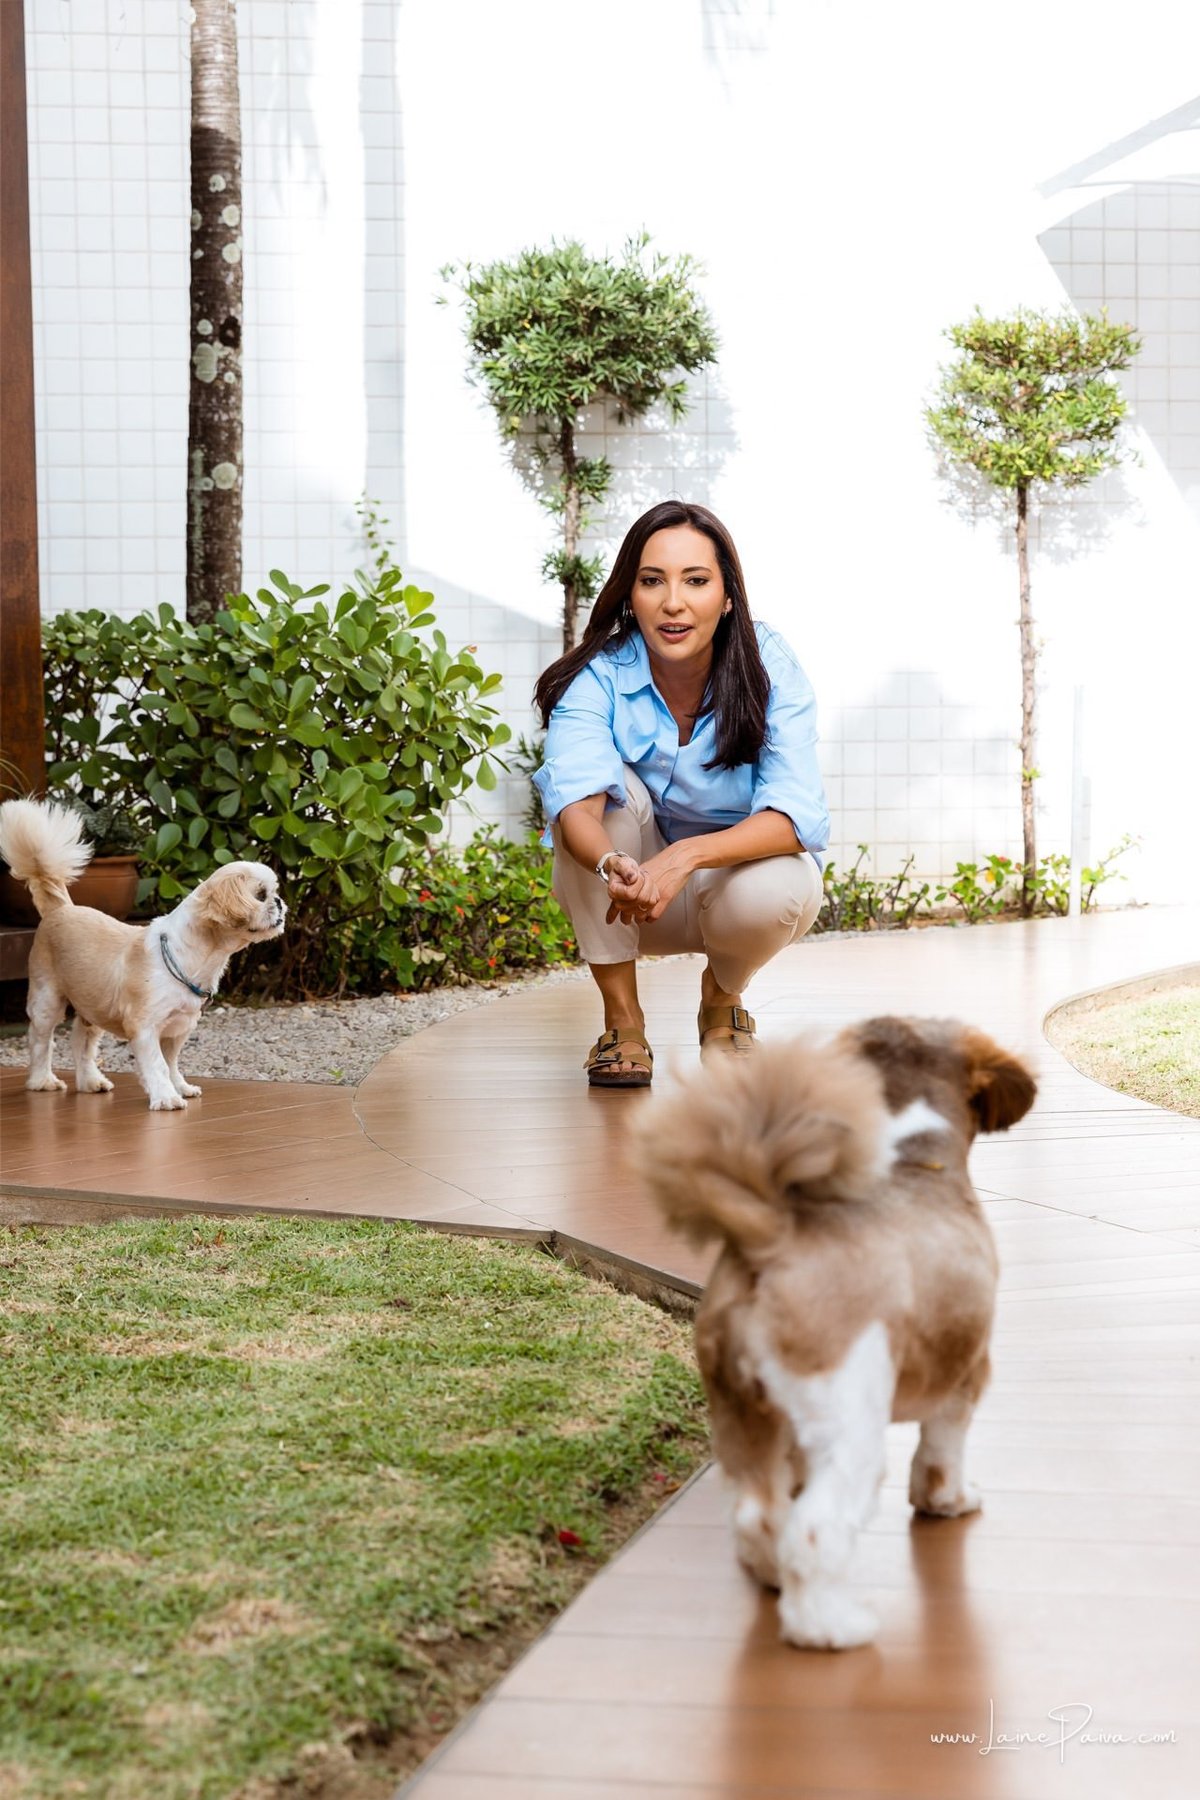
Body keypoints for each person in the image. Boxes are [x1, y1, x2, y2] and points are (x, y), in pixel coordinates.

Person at [532, 499, 829, 1088]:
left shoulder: (768, 664)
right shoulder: (598, 674)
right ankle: (622, 1022)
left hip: (736, 887)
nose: (673, 602)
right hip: (632, 898)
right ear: (629, 596)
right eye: (652, 581)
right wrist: (617, 863)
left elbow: (797, 818)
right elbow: (576, 805)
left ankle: (723, 1001)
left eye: (696, 581)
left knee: (777, 887)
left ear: (726, 597)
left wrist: (684, 856)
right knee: (589, 806)